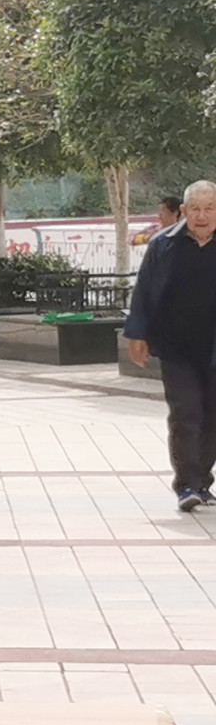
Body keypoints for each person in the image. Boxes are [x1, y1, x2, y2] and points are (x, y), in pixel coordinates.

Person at [125, 179, 216, 511]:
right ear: (184, 211)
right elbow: (144, 291)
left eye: (209, 208)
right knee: (185, 413)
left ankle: (201, 480)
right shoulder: (163, 245)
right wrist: (137, 334)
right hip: (177, 347)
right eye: (195, 209)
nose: (202, 216)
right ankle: (187, 484)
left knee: (212, 416)